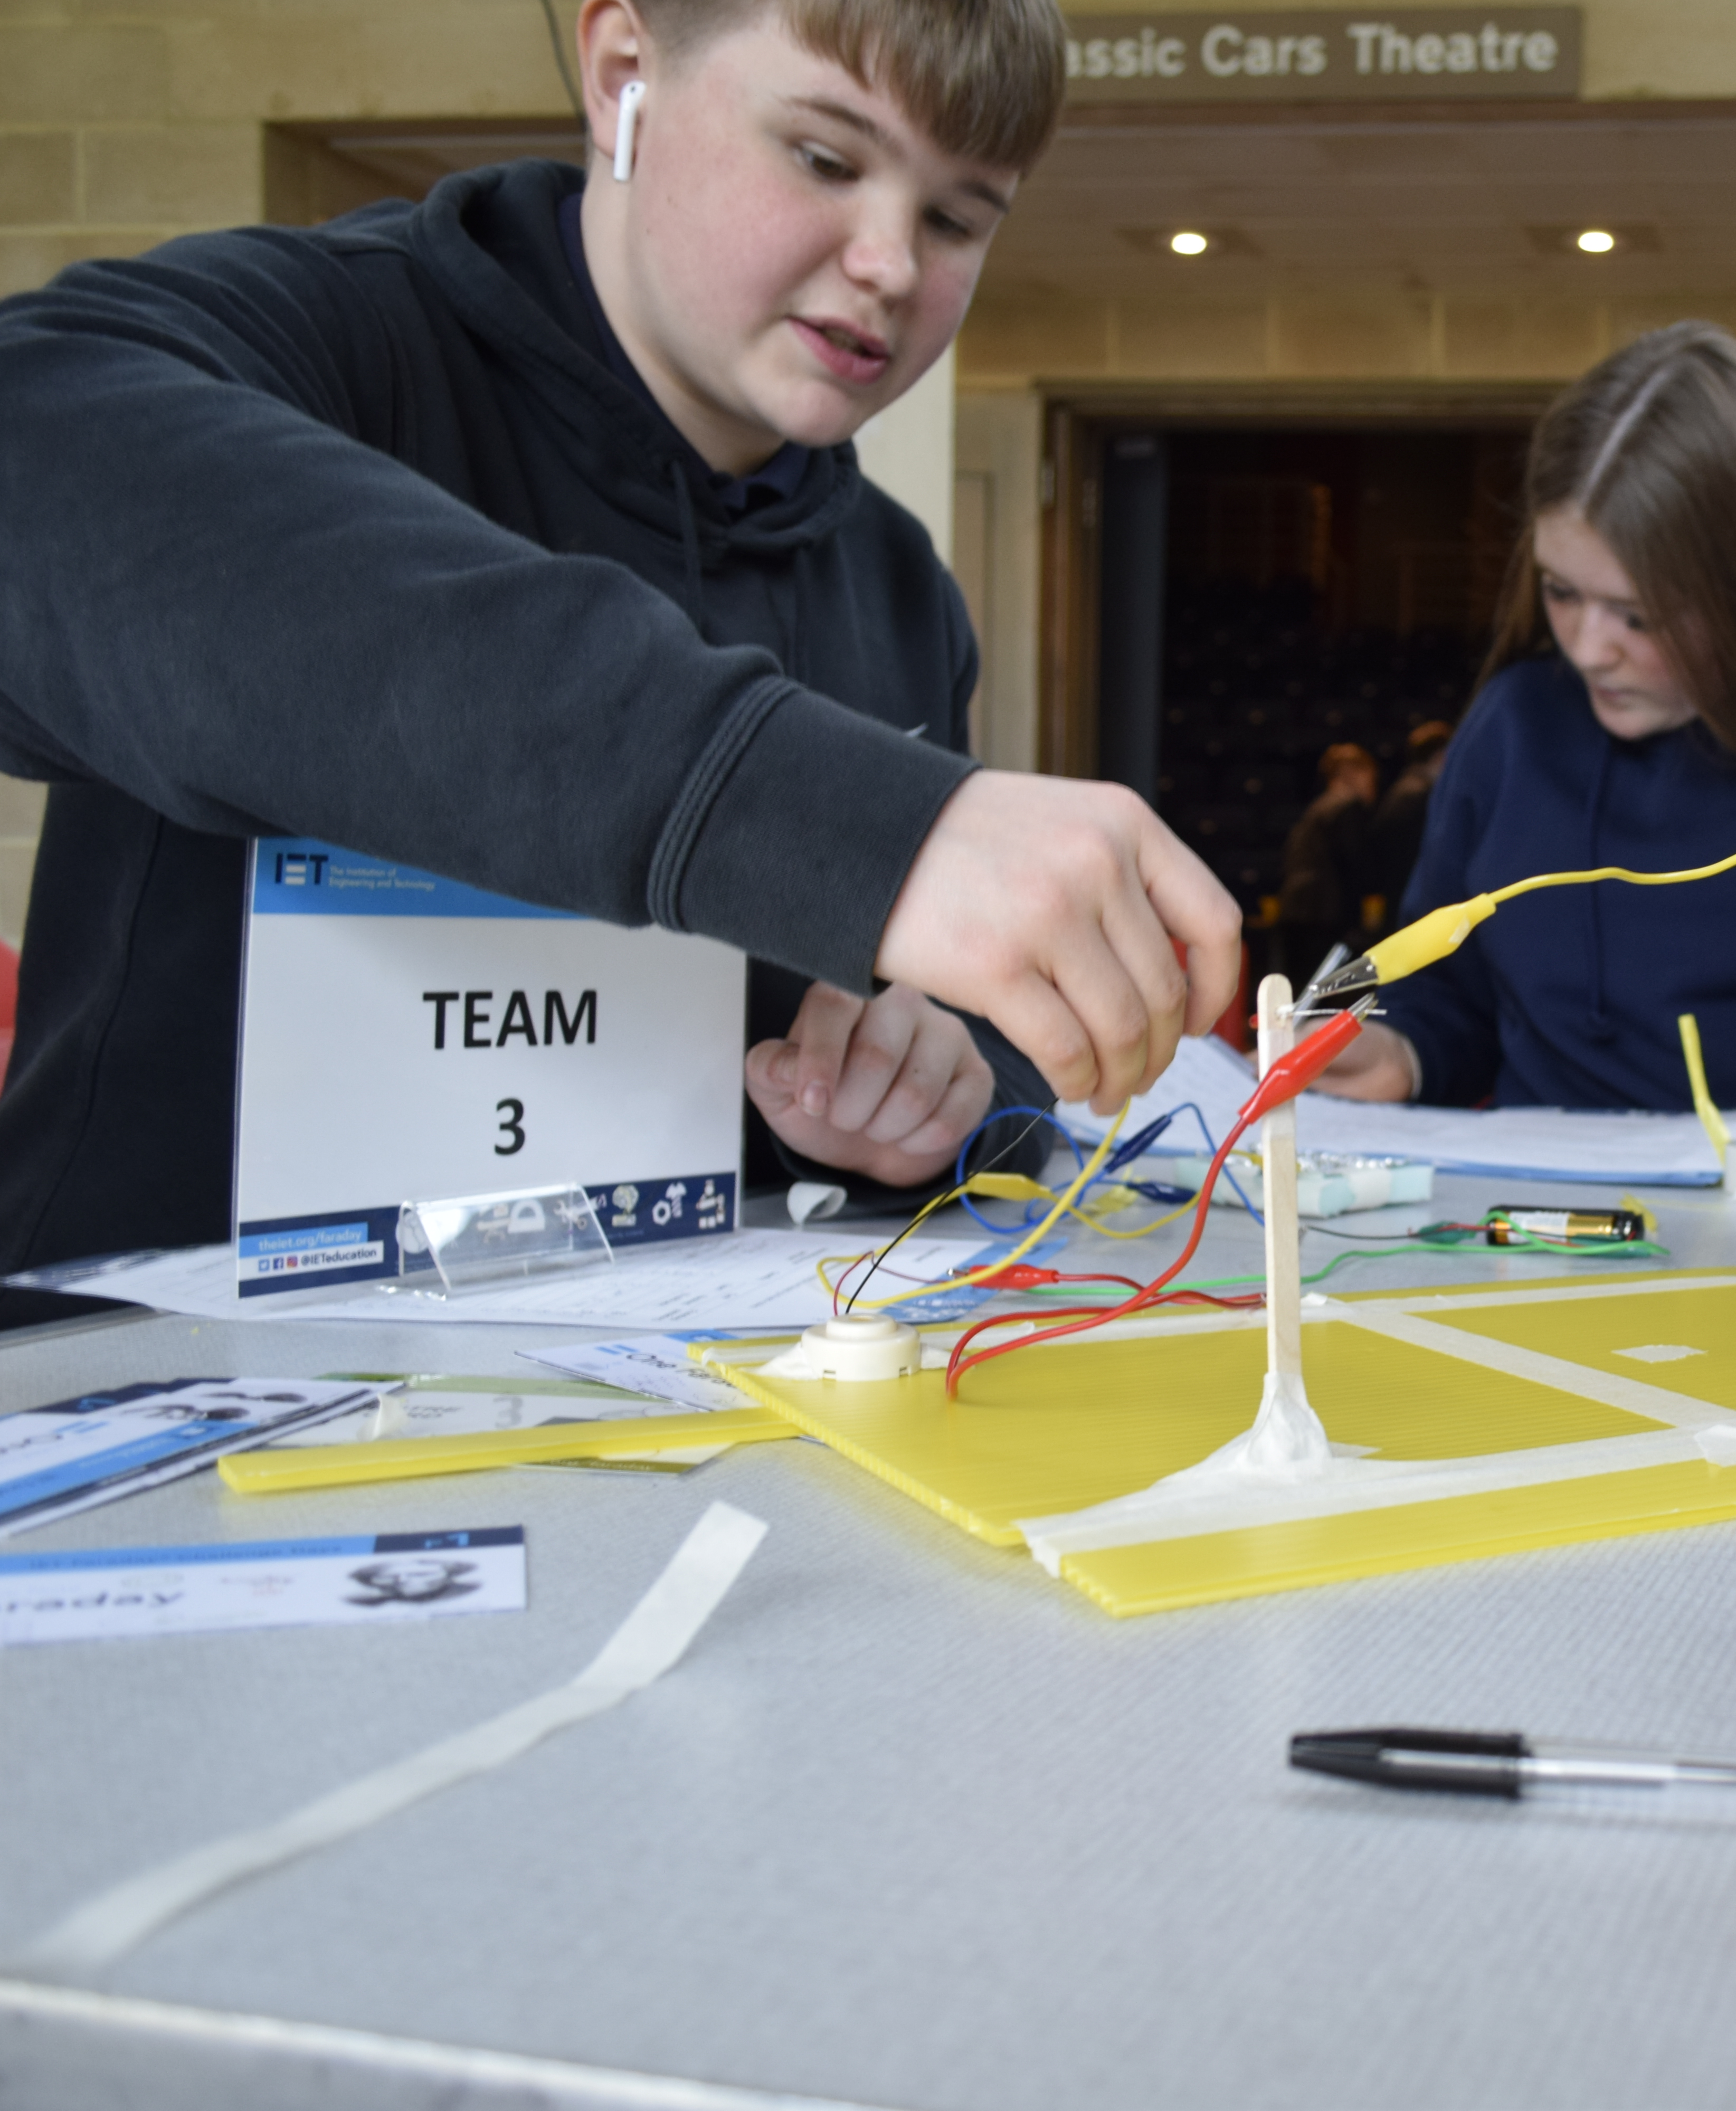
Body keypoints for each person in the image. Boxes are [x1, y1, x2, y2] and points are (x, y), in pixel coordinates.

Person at [0, 0, 1240, 1322]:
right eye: (824, 159)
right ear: (622, 73)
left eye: (957, 218)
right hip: (154, 1383)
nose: (887, 260)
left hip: (649, 1407)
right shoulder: (332, 348)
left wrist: (926, 1104)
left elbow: (881, 1073)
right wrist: (813, 808)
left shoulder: (898, 588)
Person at [1320, 322, 1736, 1112]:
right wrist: (1402, 1049)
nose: (1586, 650)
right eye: (1561, 592)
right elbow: (1446, 994)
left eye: (1638, 617)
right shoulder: (1516, 724)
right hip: (1535, 1215)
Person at [1274, 741, 1378, 987]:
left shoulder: (1319, 808)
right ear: (1350, 773)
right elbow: (1353, 864)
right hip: (1323, 914)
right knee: (1321, 991)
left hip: (1298, 910)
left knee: (1303, 987)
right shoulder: (1345, 808)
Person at [1364, 718, 1454, 925]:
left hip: (1399, 901)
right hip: (1411, 906)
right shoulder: (1421, 796)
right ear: (1441, 757)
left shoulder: (1403, 789)